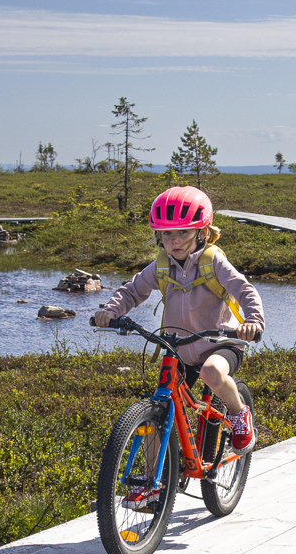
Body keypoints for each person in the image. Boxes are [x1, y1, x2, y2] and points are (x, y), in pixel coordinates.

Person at [92, 186, 265, 507]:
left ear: (201, 231)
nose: (173, 239)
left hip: (221, 342)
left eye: (182, 232)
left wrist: (253, 320)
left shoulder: (214, 261)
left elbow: (244, 289)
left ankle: (240, 416)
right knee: (160, 407)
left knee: (213, 373)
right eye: (166, 233)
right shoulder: (161, 265)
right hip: (179, 348)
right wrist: (112, 311)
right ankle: (151, 484)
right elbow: (133, 290)